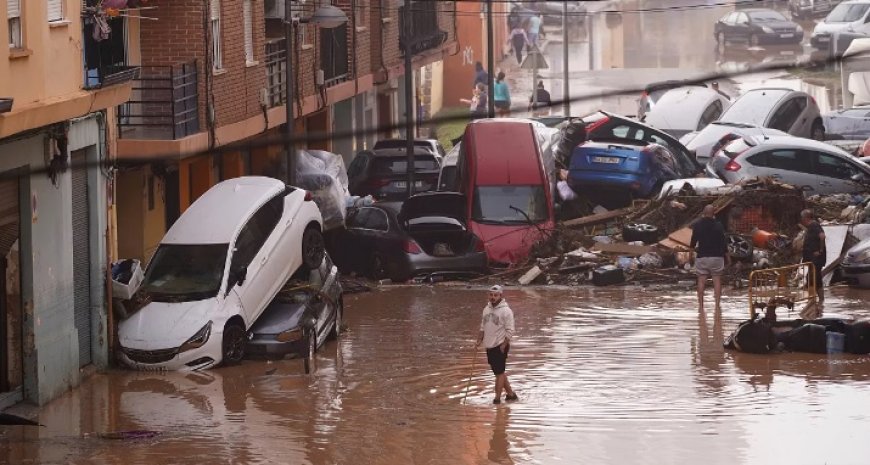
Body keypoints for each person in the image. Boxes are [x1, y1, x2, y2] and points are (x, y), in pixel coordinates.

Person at [476, 285, 518, 405]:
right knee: (498, 372)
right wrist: (479, 340)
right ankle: (511, 395)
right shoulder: (486, 309)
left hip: (500, 345)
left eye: (495, 295)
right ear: (488, 295)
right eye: (491, 295)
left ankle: (497, 399)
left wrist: (504, 345)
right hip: (488, 345)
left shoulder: (506, 311)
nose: (493, 297)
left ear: (500, 296)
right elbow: (482, 327)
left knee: (499, 373)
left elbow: (510, 330)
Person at [690, 205, 729, 312]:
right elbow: (723, 243)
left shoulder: (697, 225)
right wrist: (728, 257)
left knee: (701, 280)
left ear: (703, 212)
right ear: (713, 214)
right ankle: (717, 306)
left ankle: (701, 306)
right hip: (717, 257)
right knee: (717, 280)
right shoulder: (719, 226)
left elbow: (693, 242)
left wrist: (690, 255)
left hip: (702, 257)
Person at [800, 209, 826, 304]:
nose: (801, 220)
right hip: (812, 260)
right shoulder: (811, 227)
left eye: (802, 218)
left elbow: (822, 236)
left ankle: (817, 301)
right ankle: (813, 300)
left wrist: (820, 250)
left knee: (815, 279)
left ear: (806, 217)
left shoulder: (814, 225)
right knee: (811, 278)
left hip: (816, 259)